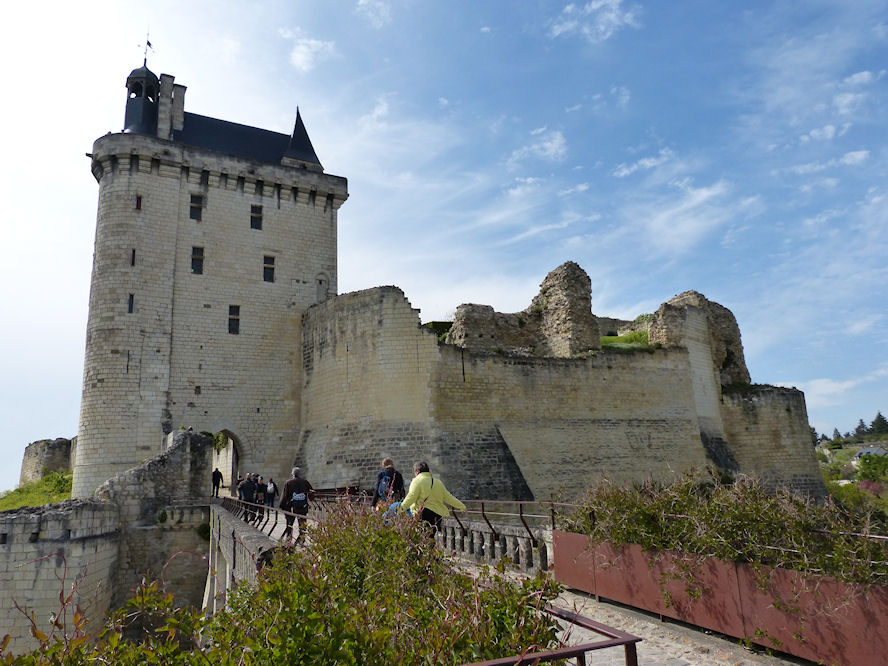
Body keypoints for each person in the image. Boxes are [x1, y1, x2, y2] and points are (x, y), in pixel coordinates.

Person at [399, 461, 465, 539]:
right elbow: (448, 497)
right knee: (430, 539)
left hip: (423, 515)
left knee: (422, 539)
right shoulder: (437, 482)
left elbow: (411, 497)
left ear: (417, 471)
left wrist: (401, 509)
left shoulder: (417, 481)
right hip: (437, 515)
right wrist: (462, 506)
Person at [280, 467, 313, 544]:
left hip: (291, 508)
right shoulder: (305, 482)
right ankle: (302, 541)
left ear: (292, 474)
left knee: (289, 524)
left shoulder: (288, 482)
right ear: (299, 474)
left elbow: (284, 496)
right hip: (302, 507)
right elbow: (311, 493)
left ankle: (288, 540)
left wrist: (282, 505)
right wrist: (309, 500)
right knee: (302, 525)